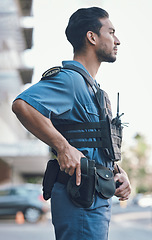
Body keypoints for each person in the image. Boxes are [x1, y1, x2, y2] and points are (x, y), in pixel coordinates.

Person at [12, 7, 131, 240]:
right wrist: (63, 147)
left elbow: (90, 141)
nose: (117, 40)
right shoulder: (70, 80)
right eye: (111, 32)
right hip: (80, 199)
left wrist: (117, 171)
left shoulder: (94, 90)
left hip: (96, 199)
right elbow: (22, 105)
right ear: (92, 37)